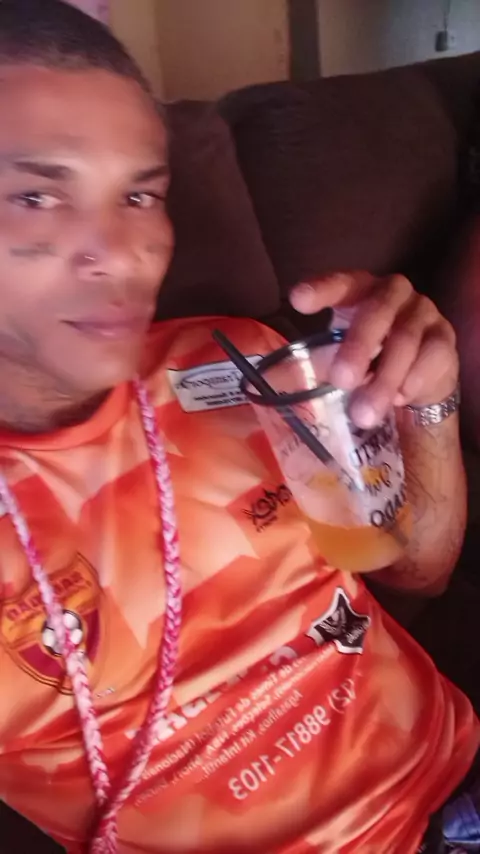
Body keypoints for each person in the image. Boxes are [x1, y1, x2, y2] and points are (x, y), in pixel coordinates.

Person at [0, 2, 477, 853]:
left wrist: (427, 403)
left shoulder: (249, 366)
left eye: (140, 193)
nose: (126, 250)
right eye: (38, 196)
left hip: (457, 785)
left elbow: (418, 569)